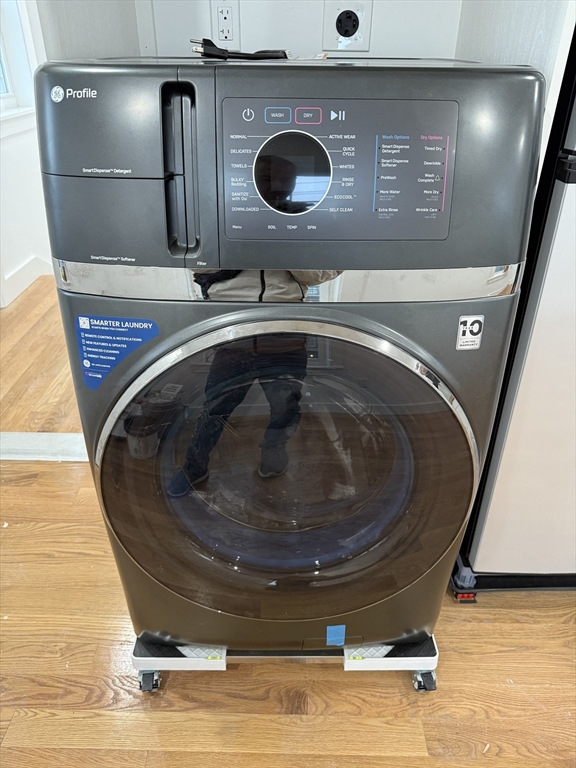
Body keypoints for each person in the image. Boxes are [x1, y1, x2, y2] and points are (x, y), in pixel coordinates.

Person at [167, 269, 341, 497]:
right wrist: (239, 251)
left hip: (284, 330)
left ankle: (273, 450)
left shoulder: (298, 241)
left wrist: (288, 253)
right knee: (215, 406)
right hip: (232, 327)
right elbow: (195, 263)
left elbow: (324, 271)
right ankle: (194, 466)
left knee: (285, 406)